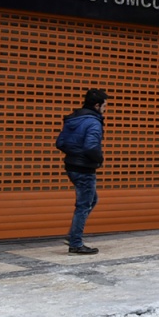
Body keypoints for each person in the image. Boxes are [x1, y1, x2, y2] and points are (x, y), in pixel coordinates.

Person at [56, 88, 107, 255]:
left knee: (92, 199)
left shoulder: (73, 119)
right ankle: (75, 242)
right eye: (105, 106)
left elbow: (60, 143)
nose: (105, 109)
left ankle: (73, 236)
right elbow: (91, 147)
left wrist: (75, 153)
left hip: (71, 166)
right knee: (84, 204)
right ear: (97, 105)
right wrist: (99, 159)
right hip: (84, 168)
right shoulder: (93, 122)